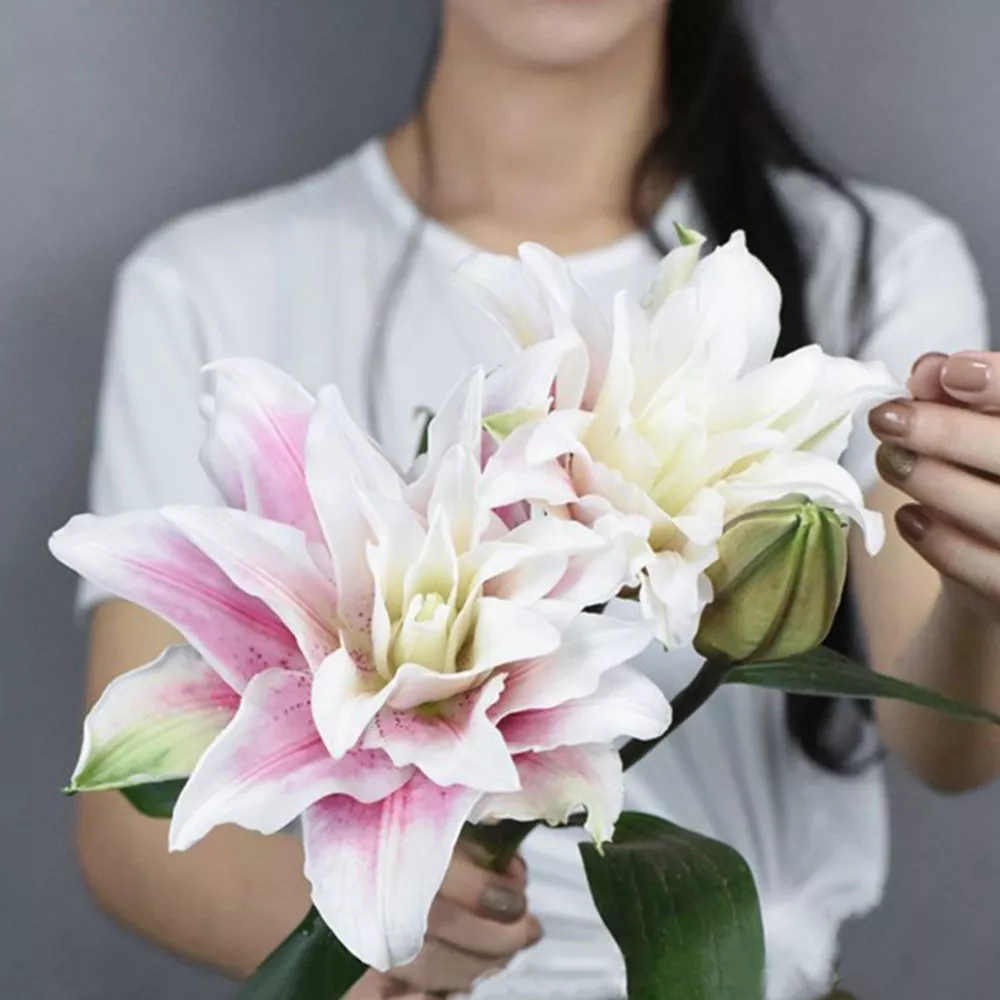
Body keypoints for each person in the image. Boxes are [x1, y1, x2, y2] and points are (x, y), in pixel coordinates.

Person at [75, 2, 1000, 998]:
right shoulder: (204, 286)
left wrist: (984, 587)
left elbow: (950, 738)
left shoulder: (870, 263)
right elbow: (130, 811)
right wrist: (379, 925)